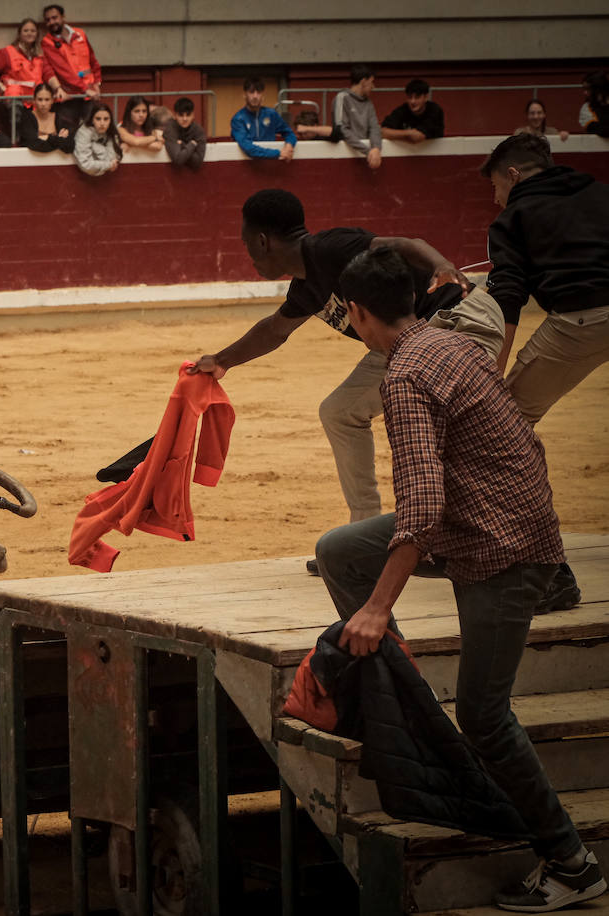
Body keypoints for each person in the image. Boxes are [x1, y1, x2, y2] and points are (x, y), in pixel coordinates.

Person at [315, 247, 605, 915]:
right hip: (495, 517)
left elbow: (421, 506)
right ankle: (395, 690)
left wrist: (377, 609)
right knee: (340, 550)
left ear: (356, 313)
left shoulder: (405, 376)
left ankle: (572, 862)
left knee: (483, 717)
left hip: (502, 550)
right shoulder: (452, 342)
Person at [188, 188, 506, 532]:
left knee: (445, 426)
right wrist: (222, 361)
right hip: (406, 341)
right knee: (340, 412)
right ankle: (364, 527)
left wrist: (443, 266)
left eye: (245, 242)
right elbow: (275, 330)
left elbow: (404, 244)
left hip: (458, 318)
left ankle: (472, 523)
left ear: (262, 241)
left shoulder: (330, 248)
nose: (247, 251)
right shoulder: (306, 288)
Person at [479, 133, 609, 613]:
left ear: (513, 174)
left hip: (581, 319)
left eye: (496, 186)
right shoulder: (600, 191)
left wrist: (491, 376)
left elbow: (508, 297)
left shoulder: (512, 217)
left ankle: (549, 572)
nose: (496, 198)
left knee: (503, 431)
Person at [40, 4, 101, 123]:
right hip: (68, 97)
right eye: (48, 20)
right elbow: (64, 71)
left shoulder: (80, 34)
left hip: (89, 94)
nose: (51, 22)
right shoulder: (47, 42)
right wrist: (85, 89)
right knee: (67, 131)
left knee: (91, 129)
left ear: (63, 17)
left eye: (54, 18)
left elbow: (93, 61)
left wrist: (97, 83)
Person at [230, 77, 297, 161]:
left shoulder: (271, 114)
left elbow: (289, 133)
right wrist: (278, 153)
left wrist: (289, 145)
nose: (255, 96)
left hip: (271, 165)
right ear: (245, 95)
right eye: (251, 92)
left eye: (258, 92)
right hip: (247, 165)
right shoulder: (238, 119)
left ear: (263, 96)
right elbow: (248, 148)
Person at [0, 19, 44, 98]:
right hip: (15, 100)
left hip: (36, 101)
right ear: (19, 34)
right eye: (26, 31)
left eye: (33, 31)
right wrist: (0, 85)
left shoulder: (40, 56)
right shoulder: (7, 53)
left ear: (37, 34)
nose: (29, 33)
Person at [336, 65, 383, 169]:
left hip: (365, 155)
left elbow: (374, 127)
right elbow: (342, 129)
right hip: (345, 157)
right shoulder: (342, 98)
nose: (373, 87)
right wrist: (367, 151)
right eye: (371, 82)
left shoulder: (368, 103)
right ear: (363, 82)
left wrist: (376, 148)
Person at [381, 78, 445, 143]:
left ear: (426, 97)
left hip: (436, 149)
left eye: (417, 97)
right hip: (405, 149)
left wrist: (396, 134)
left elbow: (417, 137)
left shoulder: (434, 110)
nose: (412, 101)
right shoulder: (403, 110)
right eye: (409, 97)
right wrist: (410, 133)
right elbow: (382, 132)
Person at [16, 83, 75, 154]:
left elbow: (69, 147)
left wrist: (46, 138)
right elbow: (33, 144)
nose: (43, 104)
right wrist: (58, 139)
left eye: (47, 100)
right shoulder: (27, 117)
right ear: (34, 100)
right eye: (40, 100)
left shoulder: (59, 118)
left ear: (52, 100)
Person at [73, 101, 121, 176]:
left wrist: (94, 146)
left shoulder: (111, 131)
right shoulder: (83, 132)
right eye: (98, 119)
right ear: (92, 120)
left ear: (110, 120)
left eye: (106, 119)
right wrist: (108, 165)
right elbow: (86, 165)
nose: (102, 123)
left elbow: (112, 159)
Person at [164, 96, 207, 170]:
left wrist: (182, 145)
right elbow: (178, 160)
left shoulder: (199, 130)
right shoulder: (170, 128)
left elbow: (197, 162)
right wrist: (192, 145)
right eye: (181, 115)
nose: (185, 119)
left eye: (188, 115)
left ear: (193, 115)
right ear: (175, 115)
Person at [578, 71, 609, 137]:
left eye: (588, 89)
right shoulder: (587, 107)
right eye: (584, 89)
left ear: (599, 88)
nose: (585, 93)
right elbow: (598, 129)